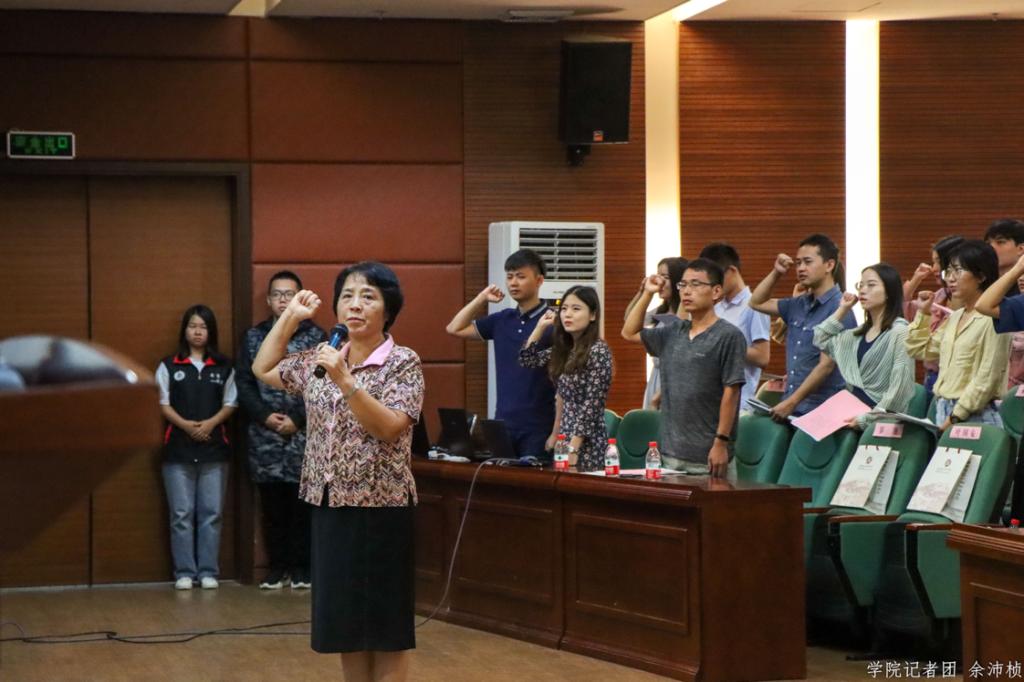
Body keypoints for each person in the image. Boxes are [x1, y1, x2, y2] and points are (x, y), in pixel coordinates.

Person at [251, 262, 422, 682]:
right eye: (347, 296)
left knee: (385, 629)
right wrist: (291, 317)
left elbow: (389, 427)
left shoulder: (402, 362)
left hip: (382, 507)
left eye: (368, 296)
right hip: (330, 505)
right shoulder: (322, 357)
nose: (355, 305)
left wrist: (347, 381)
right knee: (345, 627)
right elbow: (264, 368)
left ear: (388, 309)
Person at [235, 270, 326, 590]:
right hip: (266, 437)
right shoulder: (254, 337)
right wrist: (264, 416)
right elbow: (244, 382)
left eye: (290, 294)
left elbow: (323, 383)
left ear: (300, 297)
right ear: (269, 300)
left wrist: (298, 419)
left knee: (303, 506)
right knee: (272, 506)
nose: (283, 300)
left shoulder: (317, 336)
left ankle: (302, 568)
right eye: (277, 294)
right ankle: (277, 567)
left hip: (304, 435)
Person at [622, 258, 747, 478]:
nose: (687, 291)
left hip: (708, 457)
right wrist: (648, 293)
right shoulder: (673, 331)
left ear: (716, 291)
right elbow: (629, 332)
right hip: (670, 455)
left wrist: (721, 442)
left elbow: (732, 392)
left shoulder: (729, 336)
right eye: (683, 285)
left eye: (696, 284)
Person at [156, 304, 237, 591]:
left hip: (214, 450)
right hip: (177, 450)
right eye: (193, 326)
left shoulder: (224, 366)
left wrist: (210, 424)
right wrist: (187, 426)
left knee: (211, 513)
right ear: (185, 330)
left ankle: (208, 571)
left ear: (211, 331)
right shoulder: (169, 365)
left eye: (203, 327)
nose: (198, 331)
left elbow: (231, 402)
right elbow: (163, 403)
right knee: (181, 515)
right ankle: (184, 572)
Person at [445, 249, 556, 458]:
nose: (513, 283)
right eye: (509, 277)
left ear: (539, 280)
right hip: (503, 423)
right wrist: (481, 298)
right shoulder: (502, 319)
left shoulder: (552, 321)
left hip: (540, 426)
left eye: (521, 277)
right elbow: (454, 328)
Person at [749, 233, 856, 421]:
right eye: (798, 263)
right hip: (791, 409)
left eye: (808, 262)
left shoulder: (840, 308)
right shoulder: (799, 304)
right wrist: (777, 272)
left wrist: (791, 403)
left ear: (829, 265)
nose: (801, 268)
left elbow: (826, 366)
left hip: (822, 411)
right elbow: (756, 302)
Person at [907, 241, 1010, 430]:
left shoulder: (995, 317)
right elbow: (920, 350)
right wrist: (923, 314)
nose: (950, 279)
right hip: (944, 407)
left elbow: (987, 378)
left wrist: (956, 416)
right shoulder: (955, 317)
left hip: (977, 414)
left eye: (958, 271)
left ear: (981, 275)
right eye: (948, 272)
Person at [519, 285, 613, 472]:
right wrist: (540, 326)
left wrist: (574, 446)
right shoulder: (565, 349)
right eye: (563, 309)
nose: (567, 314)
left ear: (593, 315)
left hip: (587, 439)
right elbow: (527, 360)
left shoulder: (598, 351)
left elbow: (593, 403)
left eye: (576, 309)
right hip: (565, 435)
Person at [812, 263, 915, 428]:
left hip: (880, 423)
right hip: (850, 416)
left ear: (889, 291)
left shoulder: (900, 332)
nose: (862, 290)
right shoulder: (856, 335)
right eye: (860, 285)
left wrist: (866, 419)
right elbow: (820, 338)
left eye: (871, 285)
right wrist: (843, 309)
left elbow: (899, 389)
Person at [698, 243, 771, 412]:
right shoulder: (716, 307)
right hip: (710, 399)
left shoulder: (754, 306)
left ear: (731, 271)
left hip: (738, 403)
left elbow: (762, 357)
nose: (713, 285)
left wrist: (724, 342)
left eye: (716, 279)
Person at [902, 235, 964, 398]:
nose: (934, 268)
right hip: (932, 376)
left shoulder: (970, 302)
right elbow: (903, 313)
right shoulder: (938, 295)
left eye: (938, 262)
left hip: (955, 379)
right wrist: (915, 280)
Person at [623, 257, 687, 409]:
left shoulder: (685, 311)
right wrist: (643, 292)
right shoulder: (661, 311)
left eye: (665, 277)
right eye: (658, 275)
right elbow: (629, 321)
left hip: (673, 377)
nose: (660, 282)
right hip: (656, 375)